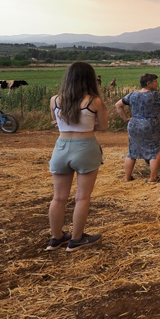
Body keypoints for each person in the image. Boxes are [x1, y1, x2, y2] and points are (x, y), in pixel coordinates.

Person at [47, 62, 108, 251]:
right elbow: (104, 127)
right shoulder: (94, 101)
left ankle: (56, 238)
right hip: (85, 147)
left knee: (58, 198)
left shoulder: (55, 100)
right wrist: (88, 124)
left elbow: (56, 122)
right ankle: (76, 239)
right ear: (90, 78)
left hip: (61, 146)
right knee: (82, 198)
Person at [115, 74, 160, 182]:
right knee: (155, 151)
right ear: (148, 84)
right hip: (151, 125)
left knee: (132, 152)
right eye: (155, 81)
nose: (157, 83)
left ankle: (127, 178)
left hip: (134, 124)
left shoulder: (132, 94)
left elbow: (118, 105)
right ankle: (153, 178)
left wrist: (125, 118)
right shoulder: (155, 95)